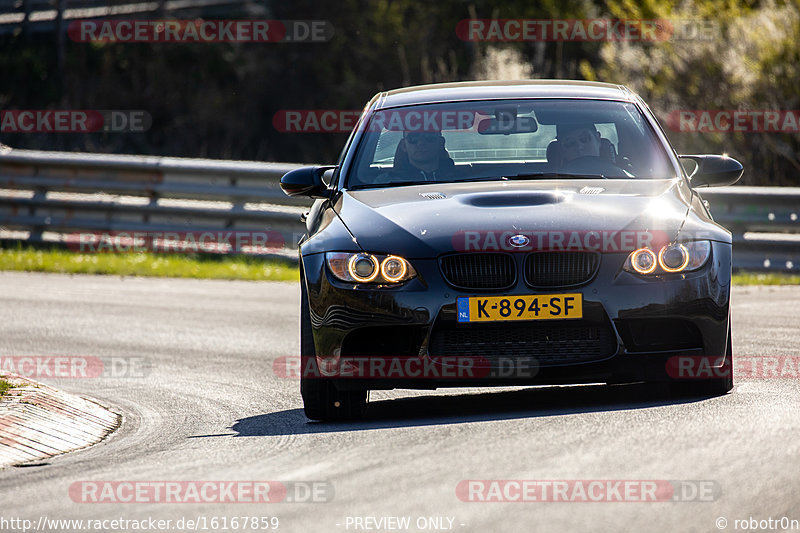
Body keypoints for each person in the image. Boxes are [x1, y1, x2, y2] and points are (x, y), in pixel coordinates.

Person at [388, 130, 455, 181]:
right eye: (413, 138)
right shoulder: (387, 181)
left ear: (441, 143)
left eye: (429, 137)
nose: (421, 143)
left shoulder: (462, 180)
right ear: (404, 146)